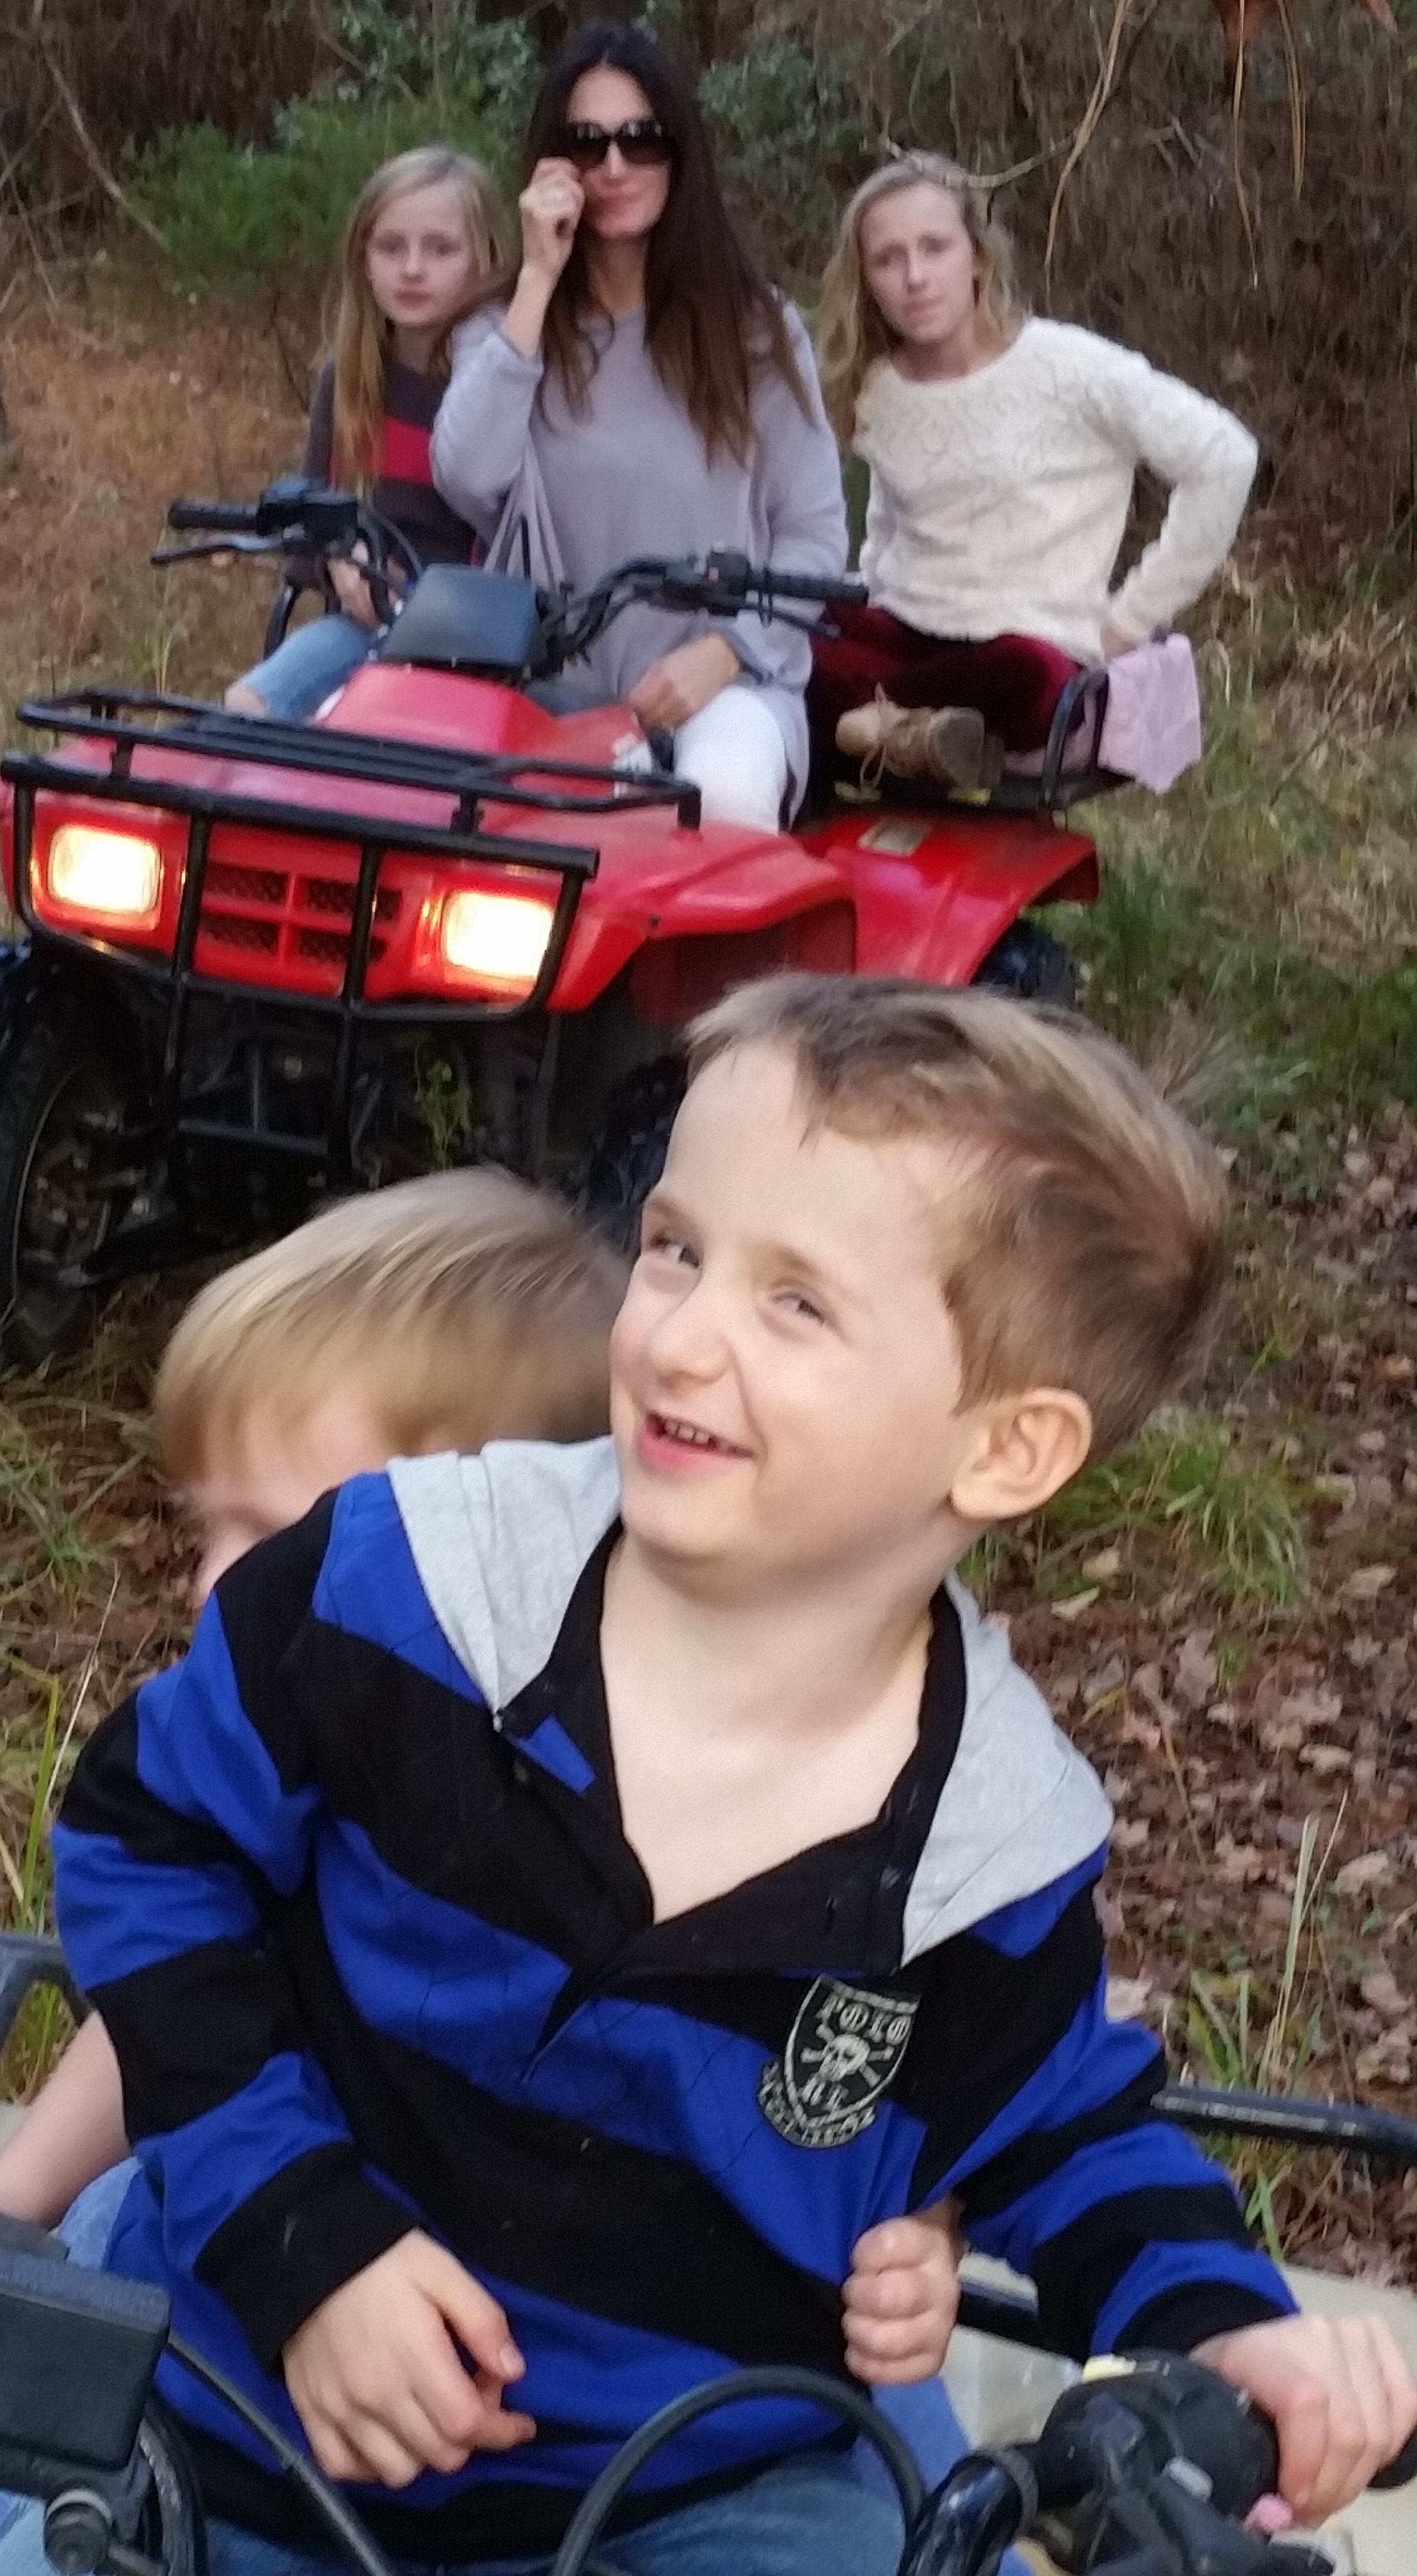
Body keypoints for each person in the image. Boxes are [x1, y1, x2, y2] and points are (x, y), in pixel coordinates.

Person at [46, 974, 1417, 2576]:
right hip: (232, 2402)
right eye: (679, 1245)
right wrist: (299, 2232)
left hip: (694, 2488)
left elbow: (1064, 2129)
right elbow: (148, 1842)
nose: (681, 1331)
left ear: (1003, 1447)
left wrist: (1223, 2327)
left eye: (797, 1301)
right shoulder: (394, 1586)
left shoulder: (980, 1845)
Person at [0, 1170, 626, 2242]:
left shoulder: (631, 1810)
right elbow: (174, 1999)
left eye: (270, 1538)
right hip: (254, 2242)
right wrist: (19, 2205)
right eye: (208, 1526)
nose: (207, 1583)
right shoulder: (275, 1752)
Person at [429, 21, 847, 832]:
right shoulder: (506, 324)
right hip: (543, 689)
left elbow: (813, 537)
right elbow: (467, 477)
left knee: (717, 806)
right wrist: (539, 279)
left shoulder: (753, 330)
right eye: (587, 142)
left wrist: (725, 652)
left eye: (641, 139)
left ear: (677, 154)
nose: (614, 167)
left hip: (723, 690)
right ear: (553, 161)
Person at [810, 156, 1259, 789]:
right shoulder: (875, 388)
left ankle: (870, 722)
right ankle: (904, 729)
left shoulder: (1069, 368)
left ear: (977, 256)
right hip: (910, 630)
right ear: (866, 281)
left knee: (1022, 675)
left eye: (935, 247)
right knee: (780, 629)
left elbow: (1224, 457)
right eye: (888, 259)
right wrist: (861, 603)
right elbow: (887, 524)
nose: (914, 276)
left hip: (1023, 644)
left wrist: (1129, 619)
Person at [226, 148, 504, 722]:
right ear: (363, 259)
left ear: (485, 260)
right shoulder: (349, 380)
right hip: (362, 625)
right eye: (390, 247)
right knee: (248, 707)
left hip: (475, 644)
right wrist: (338, 558)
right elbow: (306, 529)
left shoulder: (500, 387)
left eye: (441, 249)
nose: (412, 268)